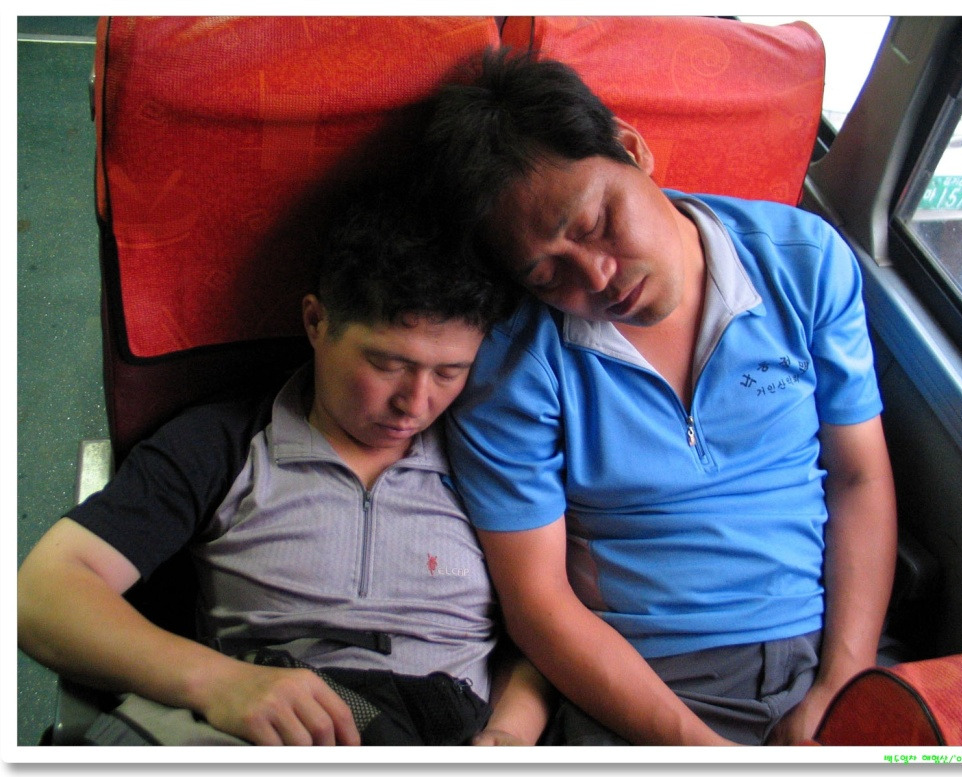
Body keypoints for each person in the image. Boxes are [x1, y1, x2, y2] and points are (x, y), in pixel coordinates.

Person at [418, 49, 898, 746]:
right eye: (550, 275)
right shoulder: (516, 365)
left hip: (828, 643)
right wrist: (703, 751)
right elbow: (539, 604)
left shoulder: (804, 262)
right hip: (646, 684)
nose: (598, 277)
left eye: (594, 224)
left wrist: (842, 683)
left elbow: (859, 476)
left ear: (633, 149)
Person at [17, 192, 550, 746]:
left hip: (442, 733)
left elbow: (542, 629)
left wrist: (510, 733)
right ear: (316, 322)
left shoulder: (495, 460)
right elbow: (43, 593)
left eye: (449, 372)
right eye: (387, 364)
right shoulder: (224, 445)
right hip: (267, 730)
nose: (414, 404)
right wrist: (217, 683)